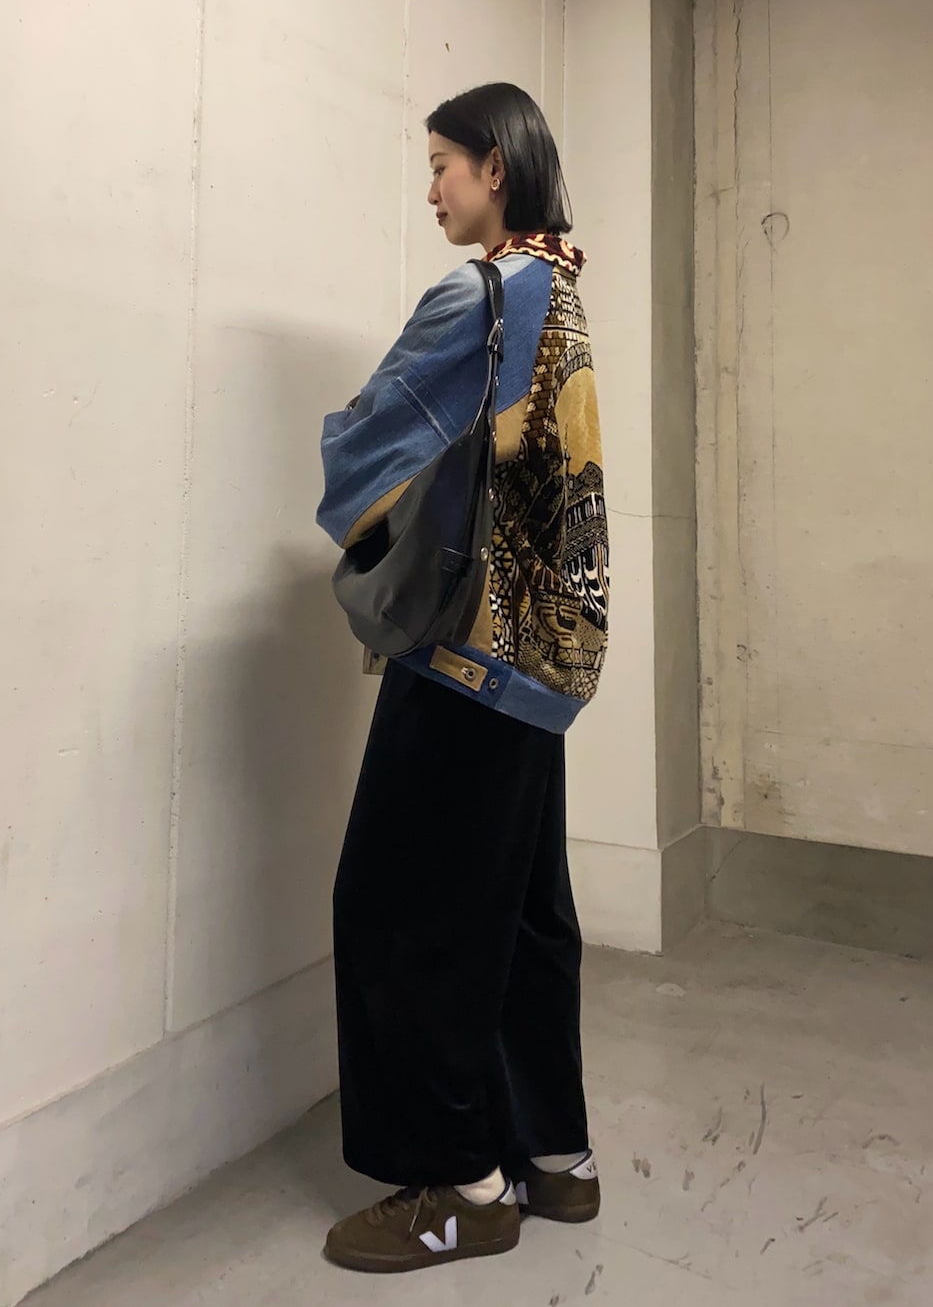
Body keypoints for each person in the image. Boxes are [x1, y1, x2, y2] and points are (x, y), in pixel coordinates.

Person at [316, 81, 610, 1275]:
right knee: (521, 913)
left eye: (442, 163)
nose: (430, 187)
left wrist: (345, 476)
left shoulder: (477, 293)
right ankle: (553, 1156)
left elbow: (365, 443)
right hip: (542, 661)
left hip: (462, 659)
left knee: (399, 911)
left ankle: (461, 1188)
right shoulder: (562, 287)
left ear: (496, 166)